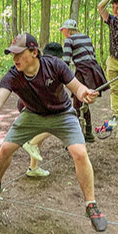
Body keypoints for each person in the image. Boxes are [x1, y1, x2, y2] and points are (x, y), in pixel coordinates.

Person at [0, 33, 108, 232]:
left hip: (63, 114)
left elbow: (76, 87)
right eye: (12, 54)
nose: (14, 58)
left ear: (34, 52)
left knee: (80, 153)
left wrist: (84, 93)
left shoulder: (55, 65)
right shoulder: (13, 75)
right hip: (32, 115)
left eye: (19, 53)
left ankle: (91, 205)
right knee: (5, 149)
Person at [20, 42, 69, 177]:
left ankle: (33, 168)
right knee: (52, 124)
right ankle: (31, 143)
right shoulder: (47, 69)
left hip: (28, 104)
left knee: (41, 132)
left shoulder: (43, 66)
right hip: (32, 106)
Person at [60, 19, 108, 142]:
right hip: (95, 70)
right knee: (83, 102)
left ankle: (77, 135)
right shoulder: (86, 37)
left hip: (83, 72)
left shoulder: (69, 40)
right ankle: (88, 132)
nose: (62, 32)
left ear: (67, 30)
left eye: (63, 30)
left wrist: (60, 78)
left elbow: (65, 61)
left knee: (77, 103)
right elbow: (93, 54)